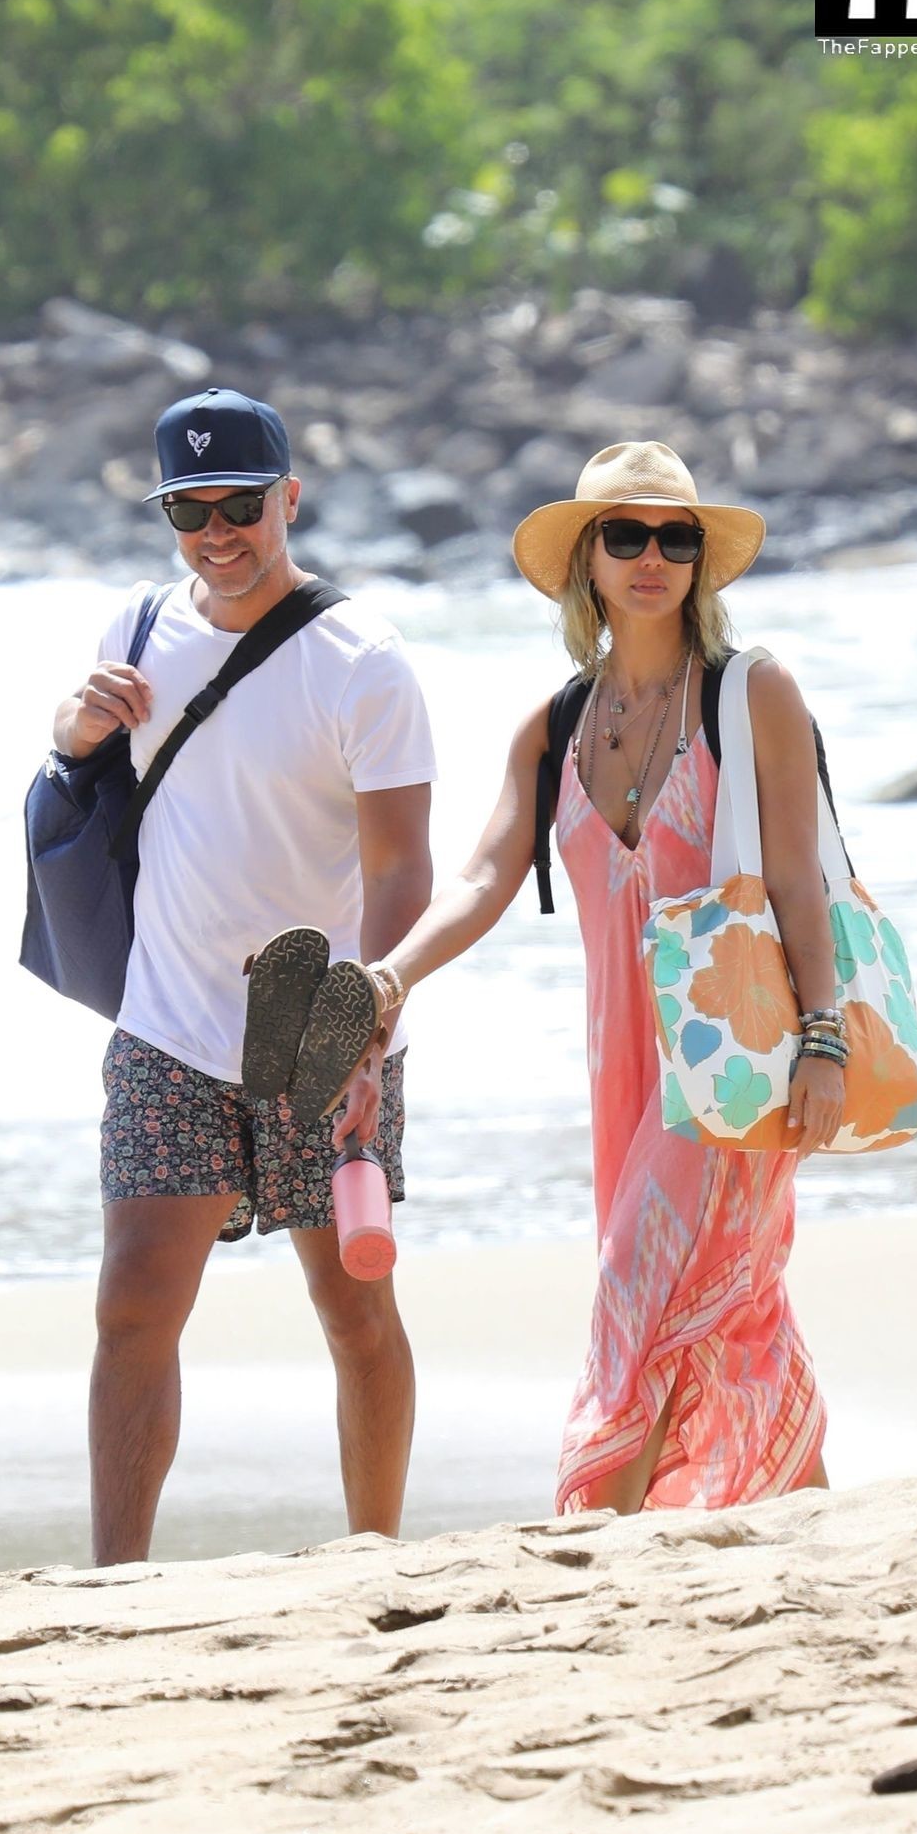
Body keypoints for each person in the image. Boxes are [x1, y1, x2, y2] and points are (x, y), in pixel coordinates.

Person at [277, 441, 830, 1515]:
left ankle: (593, 1522)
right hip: (621, 1074)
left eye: (675, 538)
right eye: (626, 535)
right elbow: (485, 875)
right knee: (721, 1301)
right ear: (588, 558)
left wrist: (823, 1041)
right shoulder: (557, 726)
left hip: (736, 1059)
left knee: (640, 1281)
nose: (652, 557)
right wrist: (388, 978)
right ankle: (805, 1502)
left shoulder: (751, 694)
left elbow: (799, 882)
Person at [53, 388, 436, 1565]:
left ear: (290, 498)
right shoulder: (133, 630)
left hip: (316, 1024)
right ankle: (115, 1582)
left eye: (240, 506)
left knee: (353, 1307)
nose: (217, 533)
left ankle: (371, 1553)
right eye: (189, 510)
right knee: (131, 1306)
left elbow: (401, 867)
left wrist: (367, 1030)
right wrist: (69, 733)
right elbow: (87, 791)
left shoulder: (360, 661)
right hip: (167, 1022)